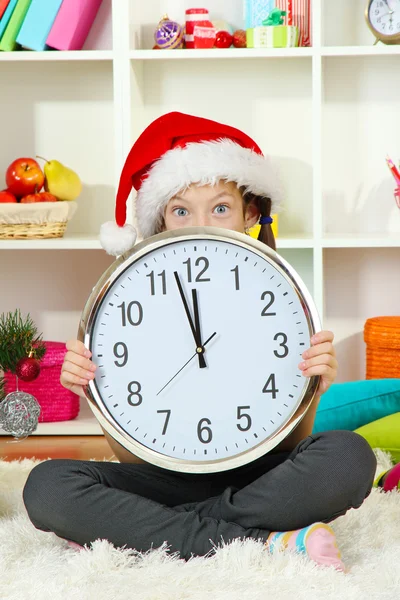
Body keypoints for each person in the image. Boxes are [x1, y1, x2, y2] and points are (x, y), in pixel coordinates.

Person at [23, 112, 389, 574]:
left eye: (220, 208)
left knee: (348, 458)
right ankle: (266, 542)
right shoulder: (127, 298)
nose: (202, 223)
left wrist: (313, 390)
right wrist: (95, 394)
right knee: (47, 486)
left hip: (263, 474)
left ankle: (145, 531)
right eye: (181, 210)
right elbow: (133, 451)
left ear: (249, 215)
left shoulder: (277, 296)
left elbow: (291, 441)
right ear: (160, 221)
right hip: (164, 478)